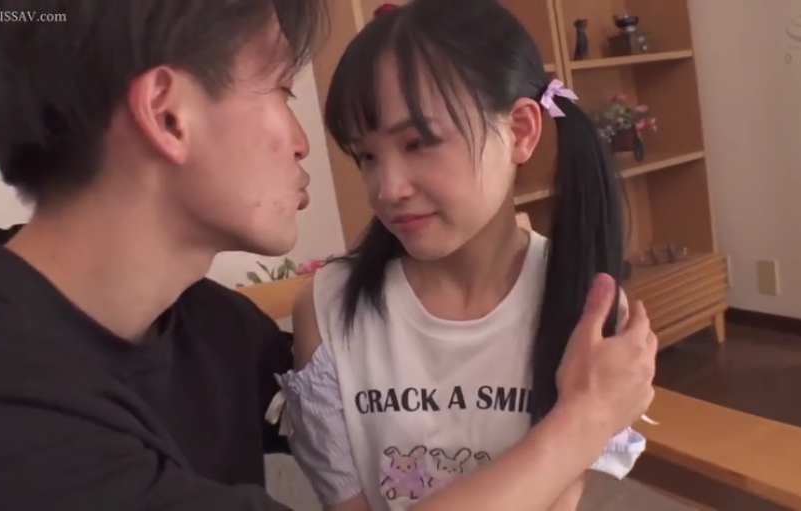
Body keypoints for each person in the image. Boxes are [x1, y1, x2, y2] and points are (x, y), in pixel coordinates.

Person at [0, 1, 653, 510]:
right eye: (281, 89)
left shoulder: (217, 333)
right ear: (169, 113)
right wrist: (584, 419)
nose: (304, 143)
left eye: (418, 141)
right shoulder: (8, 412)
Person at [277, 1, 657, 510]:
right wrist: (582, 418)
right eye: (366, 155)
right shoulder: (328, 309)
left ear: (520, 131)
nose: (387, 188)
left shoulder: (584, 309)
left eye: (418, 143)